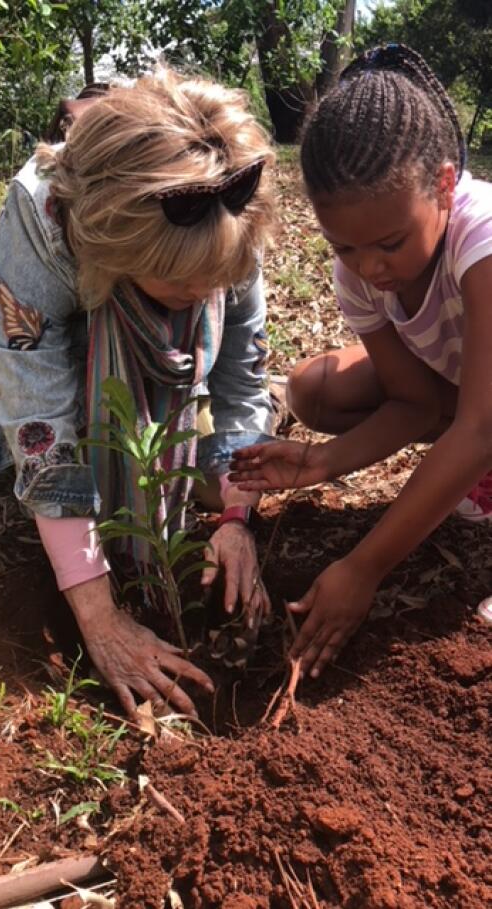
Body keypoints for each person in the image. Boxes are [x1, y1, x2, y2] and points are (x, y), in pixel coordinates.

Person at [0, 67, 276, 717]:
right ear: (118, 255)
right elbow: (37, 412)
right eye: (185, 289)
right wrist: (100, 618)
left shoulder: (232, 202)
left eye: (216, 285)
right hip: (58, 341)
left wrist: (236, 519)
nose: (206, 302)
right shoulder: (41, 222)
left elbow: (240, 377)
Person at [230, 44, 492, 679]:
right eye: (344, 246)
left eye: (391, 244)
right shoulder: (360, 270)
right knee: (314, 390)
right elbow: (416, 402)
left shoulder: (481, 241)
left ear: (445, 183)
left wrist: (364, 566)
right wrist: (320, 462)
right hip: (471, 392)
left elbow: (480, 426)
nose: (372, 267)